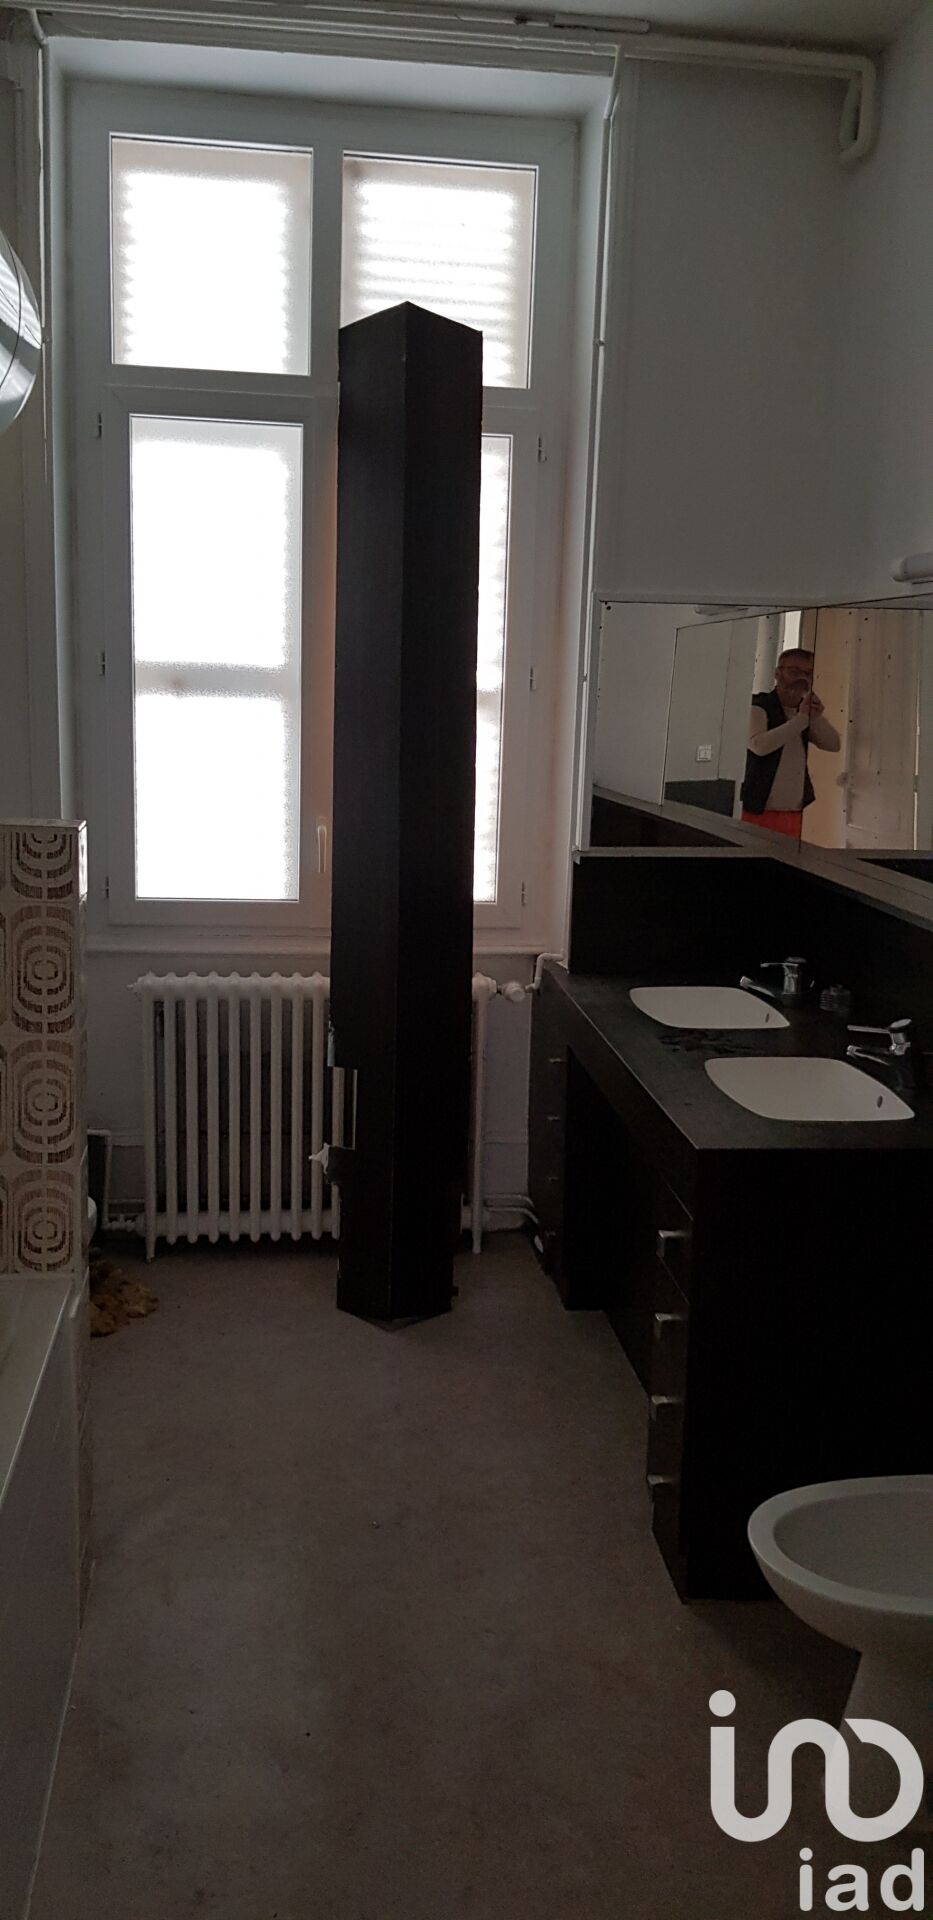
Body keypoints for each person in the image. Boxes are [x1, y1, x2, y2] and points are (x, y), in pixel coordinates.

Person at [741, 647, 840, 838]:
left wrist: (816, 717)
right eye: (794, 672)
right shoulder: (758, 706)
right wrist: (802, 719)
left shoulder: (803, 712)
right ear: (777, 674)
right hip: (757, 810)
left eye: (808, 674)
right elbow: (759, 746)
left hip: (794, 813)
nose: (801, 678)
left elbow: (833, 745)